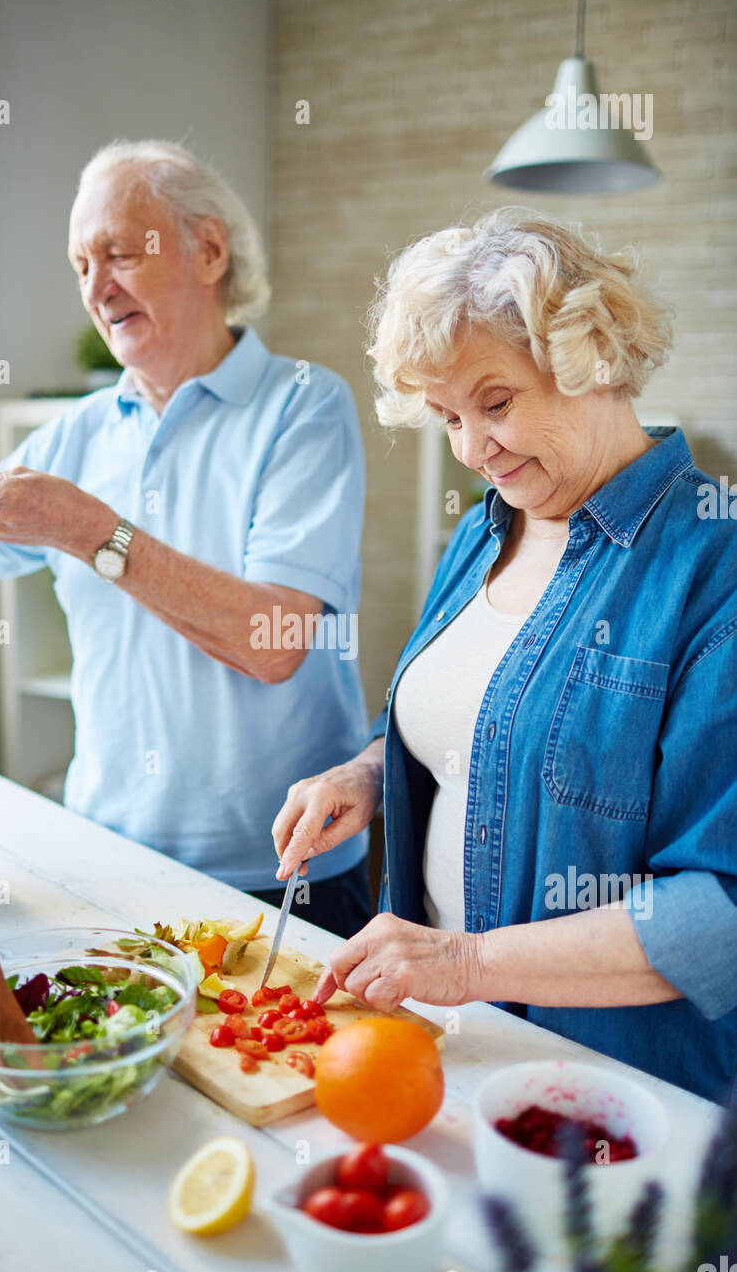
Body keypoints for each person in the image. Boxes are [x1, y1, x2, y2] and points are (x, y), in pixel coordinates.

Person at [272, 208, 737, 1104]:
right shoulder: (489, 531)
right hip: (443, 1047)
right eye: (446, 415)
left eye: (496, 402)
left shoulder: (712, 567)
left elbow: (719, 913)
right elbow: (475, 723)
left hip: (607, 1092)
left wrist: (466, 961)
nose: (471, 450)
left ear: (593, 356)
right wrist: (370, 775)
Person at [0, 140, 372, 936]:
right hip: (109, 858)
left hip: (286, 870)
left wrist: (85, 529)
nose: (95, 287)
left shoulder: (304, 407)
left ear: (209, 250)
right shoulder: (72, 436)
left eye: (119, 253)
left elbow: (274, 643)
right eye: (80, 265)